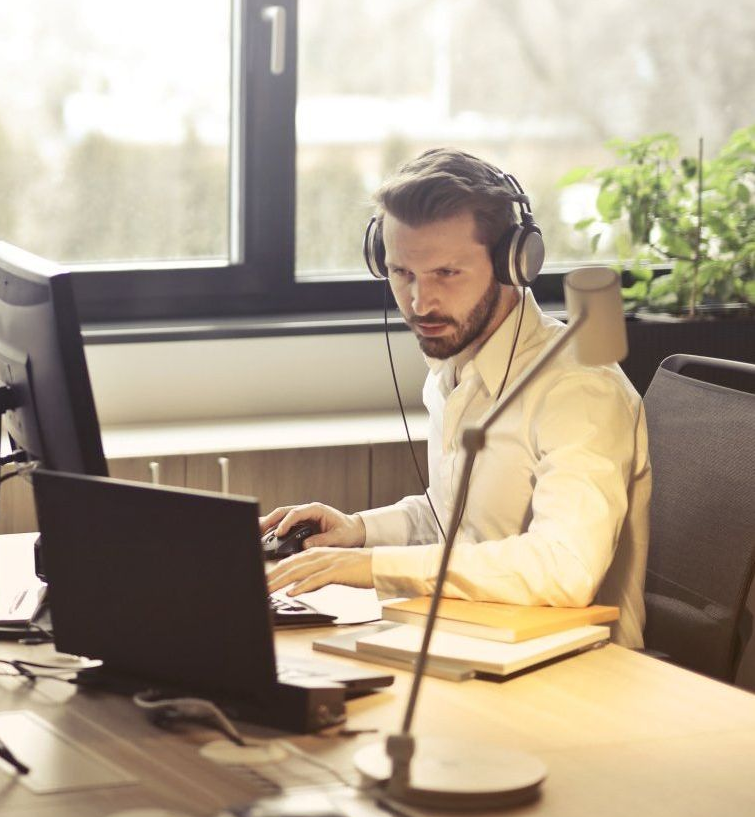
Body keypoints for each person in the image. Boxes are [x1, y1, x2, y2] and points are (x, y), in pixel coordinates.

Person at [263, 148, 650, 648]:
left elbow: (565, 568)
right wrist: (359, 531)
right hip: (472, 639)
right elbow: (457, 522)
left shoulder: (579, 389)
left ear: (514, 262)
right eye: (402, 274)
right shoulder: (454, 368)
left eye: (446, 273)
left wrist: (374, 567)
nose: (420, 303)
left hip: (579, 672)